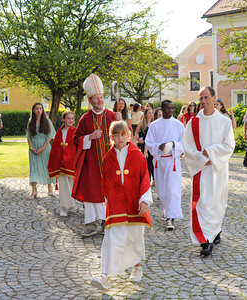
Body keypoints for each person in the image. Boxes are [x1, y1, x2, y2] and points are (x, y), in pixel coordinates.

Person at [91, 121, 152, 290]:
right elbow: (106, 183)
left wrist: (145, 201)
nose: (119, 138)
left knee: (134, 238)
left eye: (122, 134)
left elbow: (145, 179)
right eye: (115, 135)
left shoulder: (138, 156)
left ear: (129, 135)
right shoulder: (108, 158)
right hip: (116, 206)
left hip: (135, 205)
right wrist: (111, 198)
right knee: (112, 239)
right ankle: (104, 276)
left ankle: (137, 267)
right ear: (111, 137)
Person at [182, 86, 235, 256]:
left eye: (206, 98)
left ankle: (215, 229)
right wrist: (200, 158)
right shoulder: (194, 122)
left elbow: (229, 146)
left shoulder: (224, 122)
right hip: (201, 169)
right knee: (203, 203)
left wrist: (211, 152)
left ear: (214, 98)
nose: (203, 102)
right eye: (201, 98)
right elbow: (187, 145)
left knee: (217, 203)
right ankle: (206, 240)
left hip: (217, 169)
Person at [72, 73, 121, 237]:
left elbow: (123, 137)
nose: (100, 100)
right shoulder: (85, 119)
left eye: (101, 97)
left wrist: (120, 124)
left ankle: (107, 221)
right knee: (92, 192)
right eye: (96, 98)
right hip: (91, 164)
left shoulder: (112, 116)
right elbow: (75, 139)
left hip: (110, 162)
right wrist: (89, 137)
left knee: (109, 192)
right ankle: (91, 225)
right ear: (90, 100)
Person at [145, 100, 184, 230]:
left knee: (173, 189)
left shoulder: (178, 125)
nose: (170, 110)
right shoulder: (154, 125)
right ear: (162, 109)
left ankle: (170, 218)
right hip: (159, 161)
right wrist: (158, 146)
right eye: (167, 108)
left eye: (172, 108)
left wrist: (174, 145)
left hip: (173, 161)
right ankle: (167, 210)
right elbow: (149, 142)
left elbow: (184, 142)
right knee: (162, 191)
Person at [48, 111, 76, 216]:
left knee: (71, 185)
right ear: (63, 119)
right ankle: (63, 207)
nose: (70, 120)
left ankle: (71, 204)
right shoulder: (59, 133)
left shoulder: (76, 132)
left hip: (71, 162)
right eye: (68, 118)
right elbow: (55, 149)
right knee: (63, 185)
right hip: (60, 163)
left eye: (72, 118)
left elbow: (77, 147)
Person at [27, 102, 56, 200]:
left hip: (45, 148)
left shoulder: (47, 121)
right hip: (33, 148)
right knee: (34, 170)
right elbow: (28, 137)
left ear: (42, 110)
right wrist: (31, 148)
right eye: (37, 108)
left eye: (40, 108)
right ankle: (34, 191)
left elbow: (50, 136)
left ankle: (49, 187)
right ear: (34, 110)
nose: (39, 110)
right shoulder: (30, 121)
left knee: (47, 167)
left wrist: (43, 148)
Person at [135, 108, 154, 183]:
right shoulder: (141, 123)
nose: (151, 115)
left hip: (151, 145)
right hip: (143, 144)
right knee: (145, 161)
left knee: (152, 161)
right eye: (149, 113)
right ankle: (147, 179)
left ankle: (154, 179)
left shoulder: (154, 123)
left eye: (152, 113)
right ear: (146, 114)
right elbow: (136, 132)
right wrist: (138, 139)